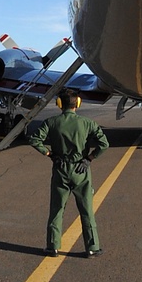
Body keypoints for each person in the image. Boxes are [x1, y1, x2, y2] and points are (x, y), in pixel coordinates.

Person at [28, 91, 109, 257]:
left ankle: (53, 246)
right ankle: (92, 247)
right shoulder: (87, 123)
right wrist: (89, 158)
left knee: (57, 209)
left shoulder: (51, 122)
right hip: (81, 170)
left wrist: (50, 155)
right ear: (77, 103)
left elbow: (35, 139)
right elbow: (104, 144)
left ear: (59, 103)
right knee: (86, 210)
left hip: (61, 169)